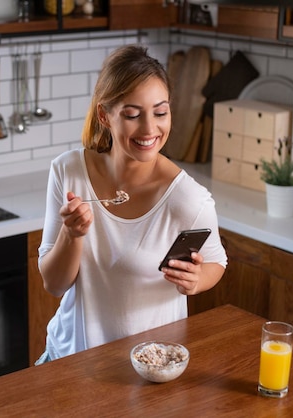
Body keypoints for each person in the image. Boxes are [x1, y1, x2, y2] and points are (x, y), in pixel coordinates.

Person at [36, 45, 227, 364]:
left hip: (148, 370)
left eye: (160, 111)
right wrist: (73, 235)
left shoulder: (188, 200)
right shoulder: (68, 173)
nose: (150, 129)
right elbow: (54, 285)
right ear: (104, 115)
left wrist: (197, 281)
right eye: (132, 114)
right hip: (67, 362)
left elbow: (216, 262)